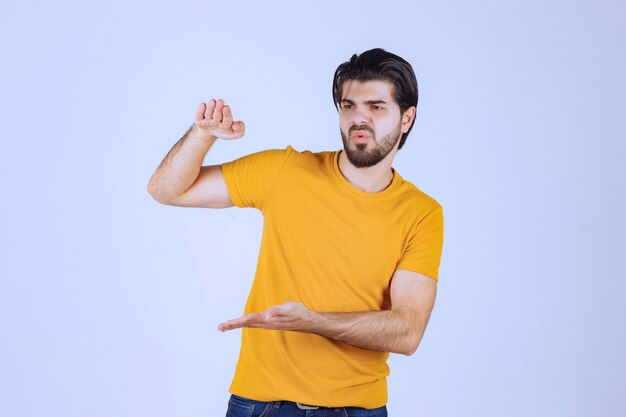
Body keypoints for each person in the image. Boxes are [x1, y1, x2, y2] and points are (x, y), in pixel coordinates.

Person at [147, 48, 444, 417]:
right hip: (259, 404)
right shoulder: (284, 171)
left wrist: (313, 322)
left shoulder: (421, 213)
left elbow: (407, 331)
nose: (358, 118)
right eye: (349, 105)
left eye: (376, 106)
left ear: (406, 117)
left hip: (357, 409)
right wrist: (202, 135)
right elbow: (166, 189)